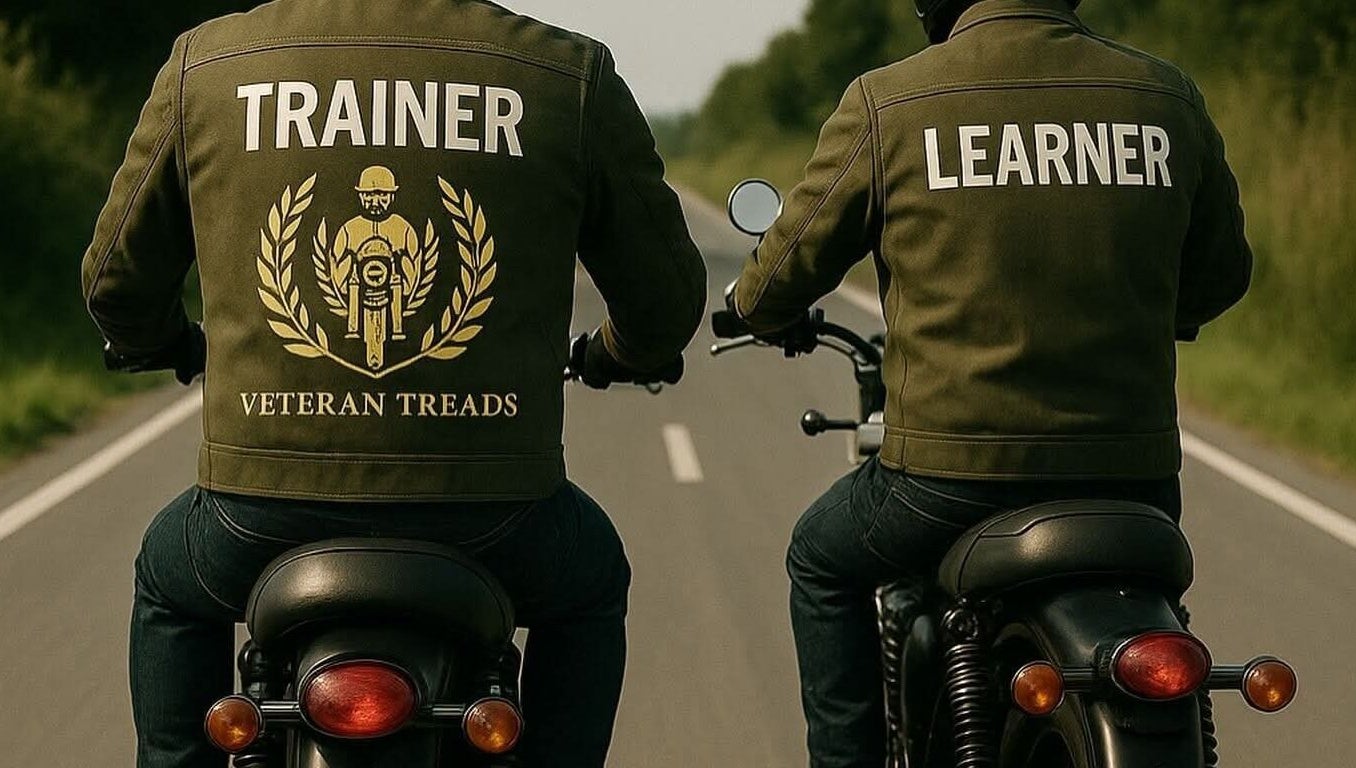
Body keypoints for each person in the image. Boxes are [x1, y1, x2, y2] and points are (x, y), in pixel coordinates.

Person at [81, 0, 706, 765]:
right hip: (499, 518)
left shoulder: (205, 65)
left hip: (256, 514)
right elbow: (667, 300)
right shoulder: (565, 72)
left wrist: (165, 342)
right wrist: (620, 353)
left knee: (169, 578)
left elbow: (115, 281)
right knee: (591, 578)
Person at [724, 0, 1251, 765]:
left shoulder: (890, 99)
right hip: (1134, 485)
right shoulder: (1165, 94)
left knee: (819, 557)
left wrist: (756, 310)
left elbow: (778, 277)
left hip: (947, 479)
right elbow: (1221, 276)